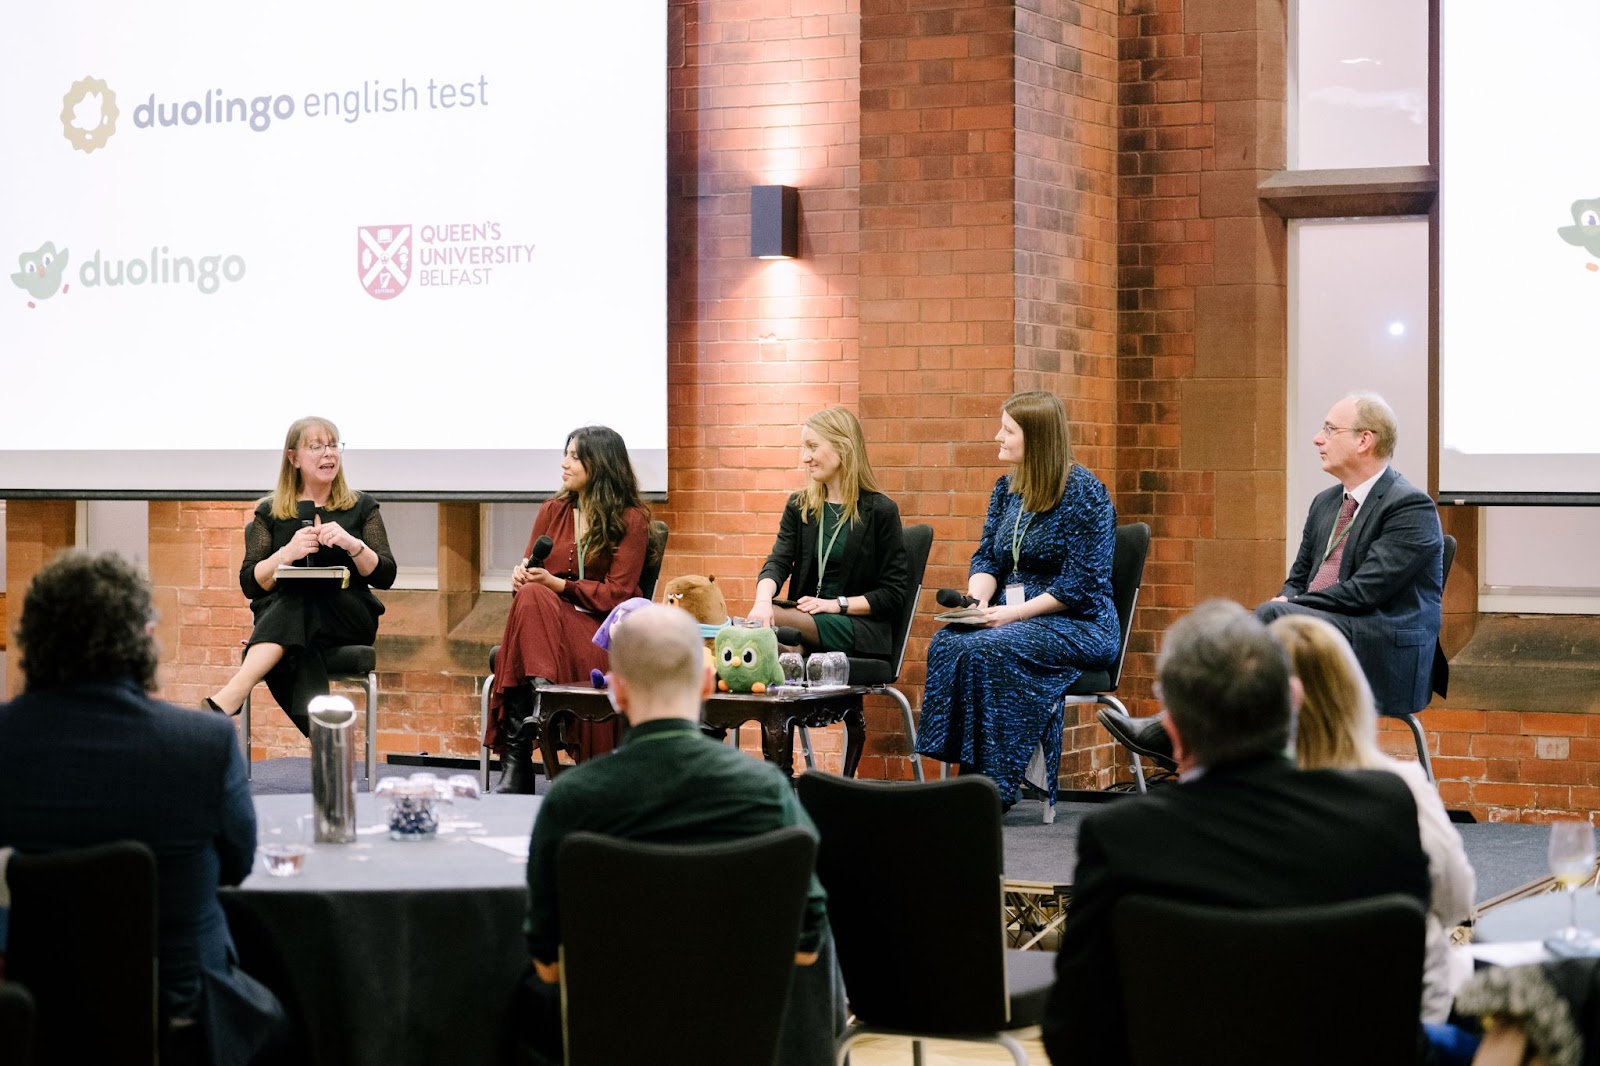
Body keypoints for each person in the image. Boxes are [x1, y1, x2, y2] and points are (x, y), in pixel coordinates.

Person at [1041, 600, 1431, 1066]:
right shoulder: (1383, 808)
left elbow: (1073, 1035)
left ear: (1173, 730)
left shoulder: (1123, 837)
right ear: (1294, 701)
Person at [0, 551, 286, 1064]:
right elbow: (237, 865)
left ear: (31, 641)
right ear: (144, 639)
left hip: (25, 1015)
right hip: (179, 1017)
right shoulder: (203, 743)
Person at [519, 605, 832, 1064]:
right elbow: (807, 948)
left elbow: (548, 966)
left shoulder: (571, 802)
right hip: (736, 1041)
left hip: (611, 1044)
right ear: (707, 683)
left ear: (616, 693)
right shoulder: (768, 794)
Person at [1101, 392, 1445, 768]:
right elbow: (1298, 578)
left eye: (1330, 429)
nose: (1318, 438)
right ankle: (1198, 739)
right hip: (1320, 634)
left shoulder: (1409, 506)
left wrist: (1291, 608)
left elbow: (1365, 592)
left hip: (1381, 649)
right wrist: (1290, 602)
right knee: (1240, 625)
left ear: (1365, 440)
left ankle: (1181, 733)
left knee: (1272, 619)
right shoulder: (1326, 503)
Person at [1270, 613, 1476, 1032]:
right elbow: (1457, 900)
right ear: (1350, 692)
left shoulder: (1242, 799)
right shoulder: (1403, 789)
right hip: (1408, 1024)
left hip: (1285, 1022)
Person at [914, 390, 1118, 806]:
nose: (997, 437)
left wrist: (1011, 614)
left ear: (1037, 438)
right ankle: (967, 776)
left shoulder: (1085, 493)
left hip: (1081, 623)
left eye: (1008, 430)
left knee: (991, 649)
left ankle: (994, 788)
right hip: (1017, 618)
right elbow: (988, 556)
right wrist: (978, 601)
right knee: (950, 641)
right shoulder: (1007, 489)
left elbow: (1080, 584)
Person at [204, 415, 396, 736]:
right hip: (295, 622)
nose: (329, 454)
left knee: (295, 607)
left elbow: (385, 575)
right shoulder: (270, 512)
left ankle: (237, 689)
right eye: (316, 446)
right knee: (298, 639)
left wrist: (352, 544)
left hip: (348, 615)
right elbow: (250, 583)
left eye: (333, 445)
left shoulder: (361, 506)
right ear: (293, 458)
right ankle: (326, 738)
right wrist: (286, 554)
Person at [486, 425, 651, 792]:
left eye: (575, 456)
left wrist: (558, 585)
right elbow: (532, 578)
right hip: (547, 627)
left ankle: (525, 744)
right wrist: (523, 577)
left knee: (535, 601)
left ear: (601, 463)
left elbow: (618, 595)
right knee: (530, 596)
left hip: (600, 632)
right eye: (566, 454)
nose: (564, 463)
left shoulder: (631, 519)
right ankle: (539, 704)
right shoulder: (552, 510)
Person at [749, 407, 909, 658]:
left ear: (843, 448)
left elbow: (893, 594)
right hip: (804, 621)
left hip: (857, 626)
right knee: (776, 648)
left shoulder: (880, 510)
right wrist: (761, 601)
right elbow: (778, 562)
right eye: (804, 448)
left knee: (773, 618)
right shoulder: (800, 505)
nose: (805, 458)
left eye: (812, 447)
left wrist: (836, 605)